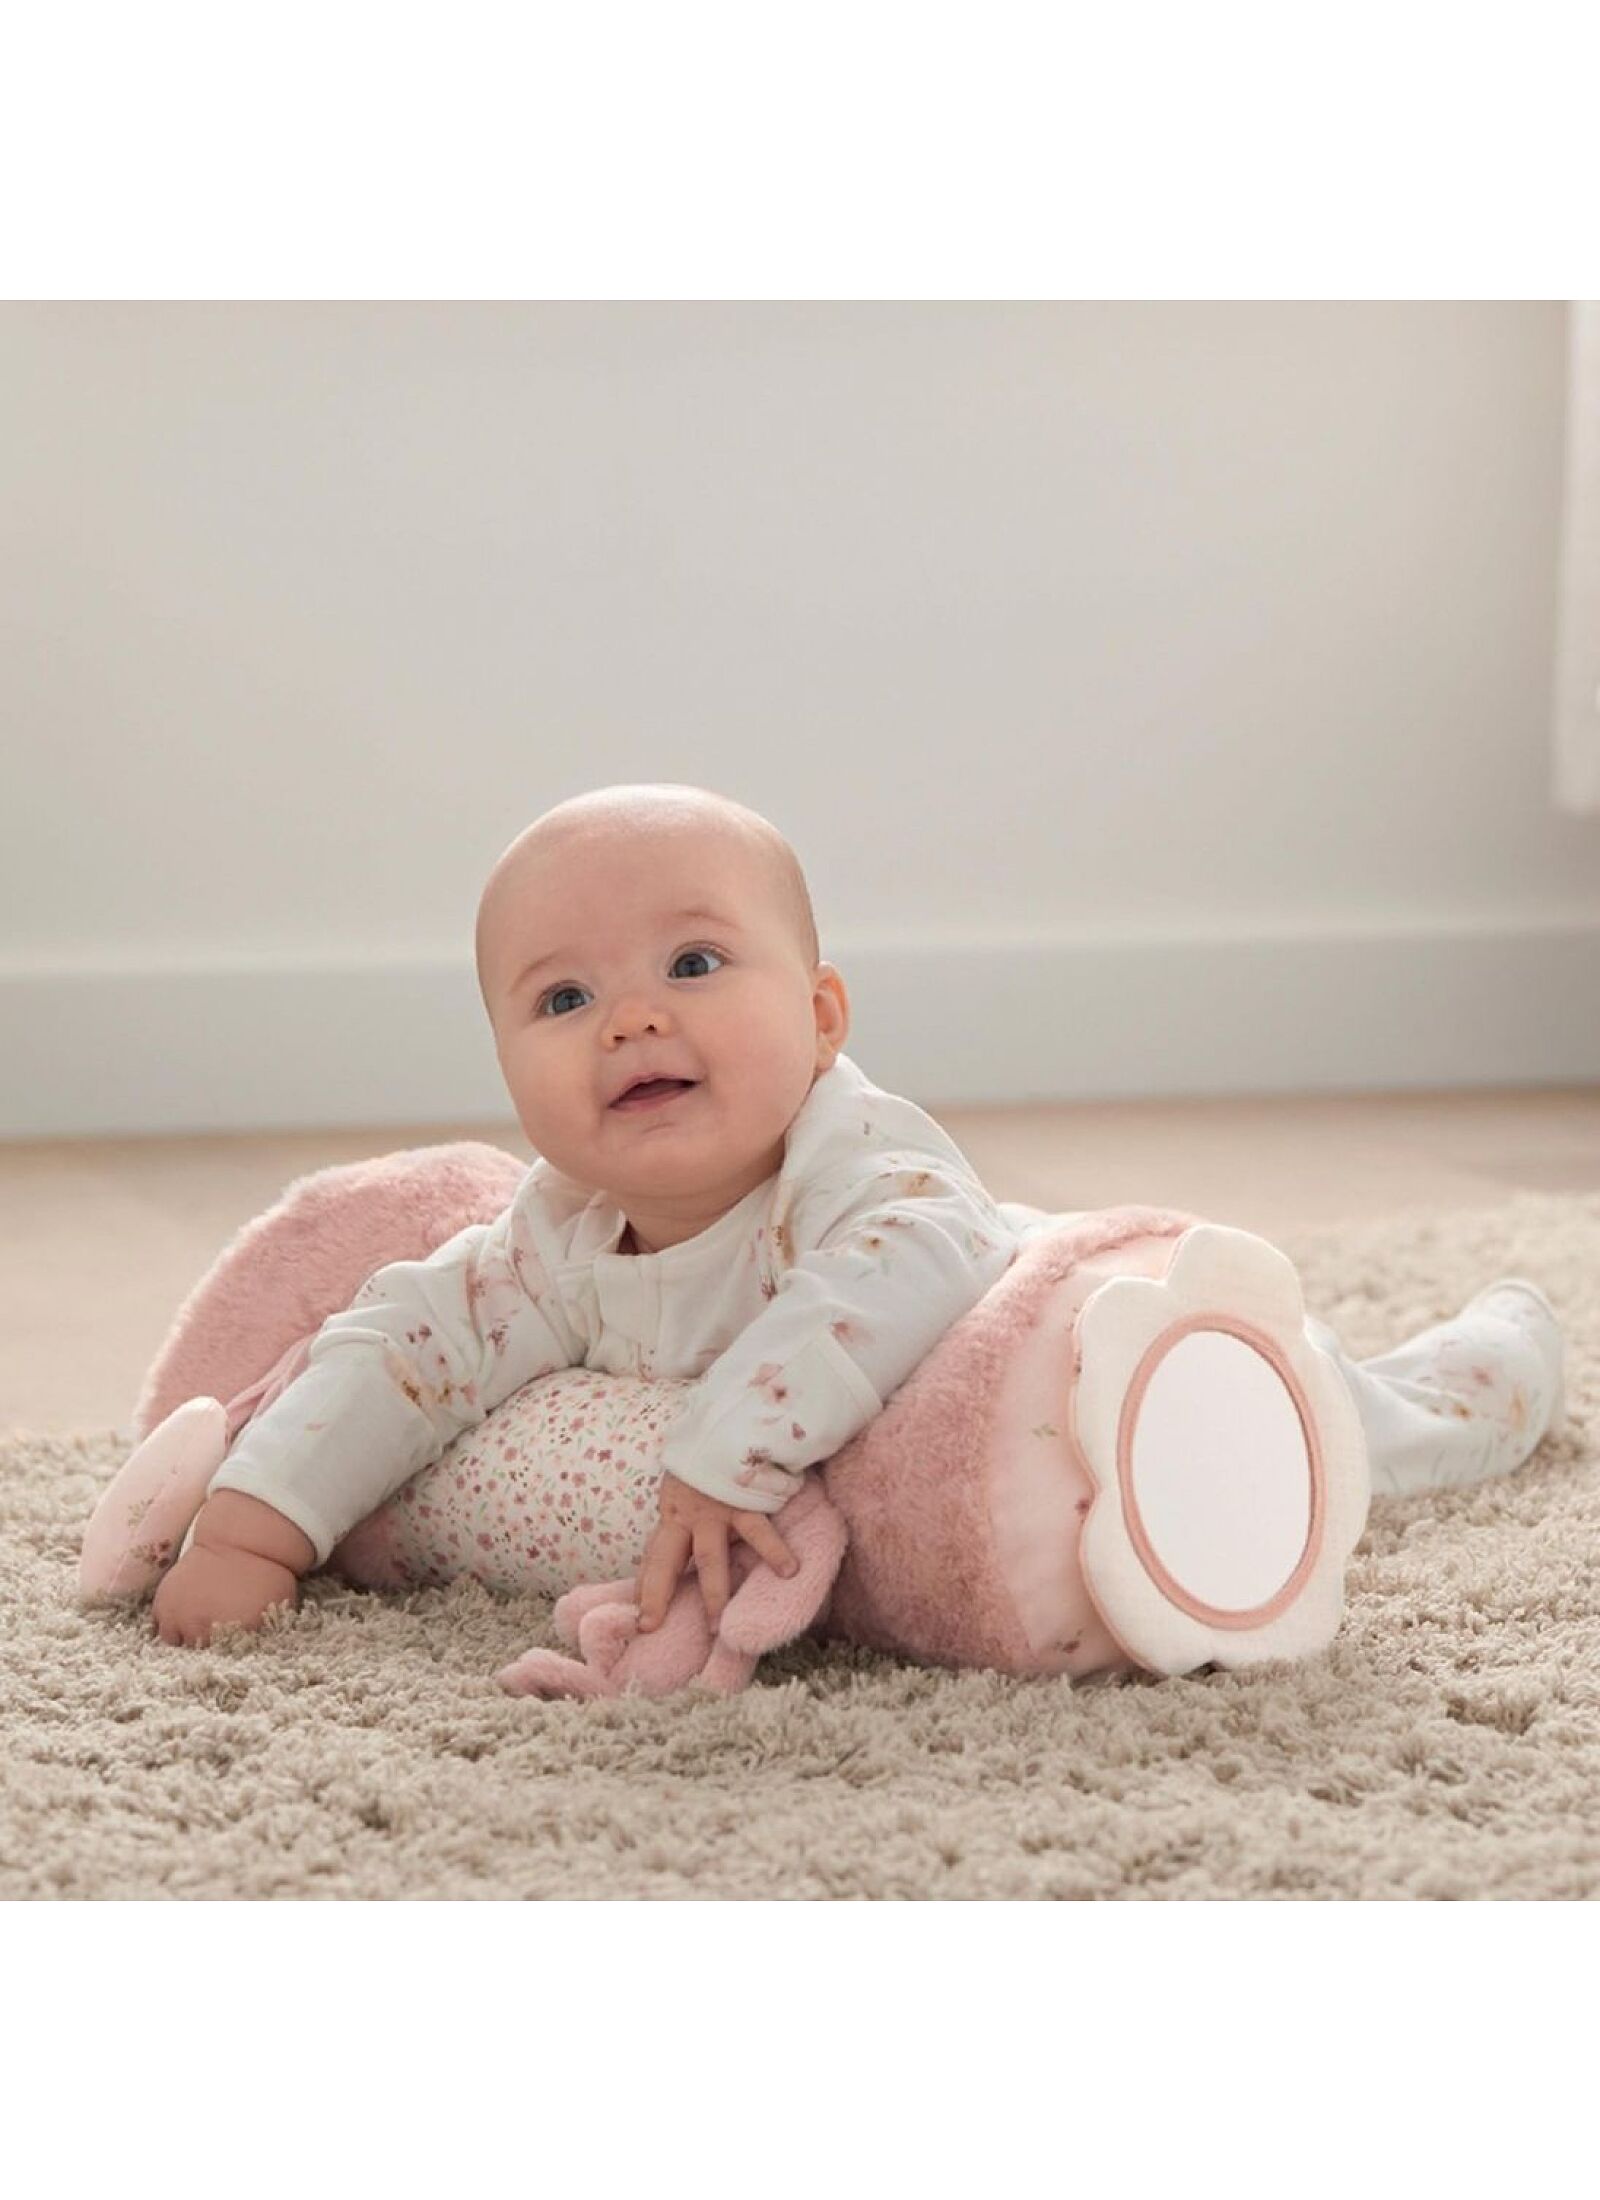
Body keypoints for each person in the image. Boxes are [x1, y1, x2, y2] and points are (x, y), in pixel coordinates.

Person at [147, 783, 1568, 1649]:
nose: (632, 1015)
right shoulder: (555, 1237)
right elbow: (402, 1344)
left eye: (695, 960)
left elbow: (915, 1264)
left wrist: (726, 1447)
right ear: (504, 1061)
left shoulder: (866, 1160)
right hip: (965, 1470)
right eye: (562, 998)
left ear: (821, 1017)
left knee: (1341, 1421)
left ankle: (1479, 1380)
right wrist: (259, 1523)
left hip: (1096, 1348)